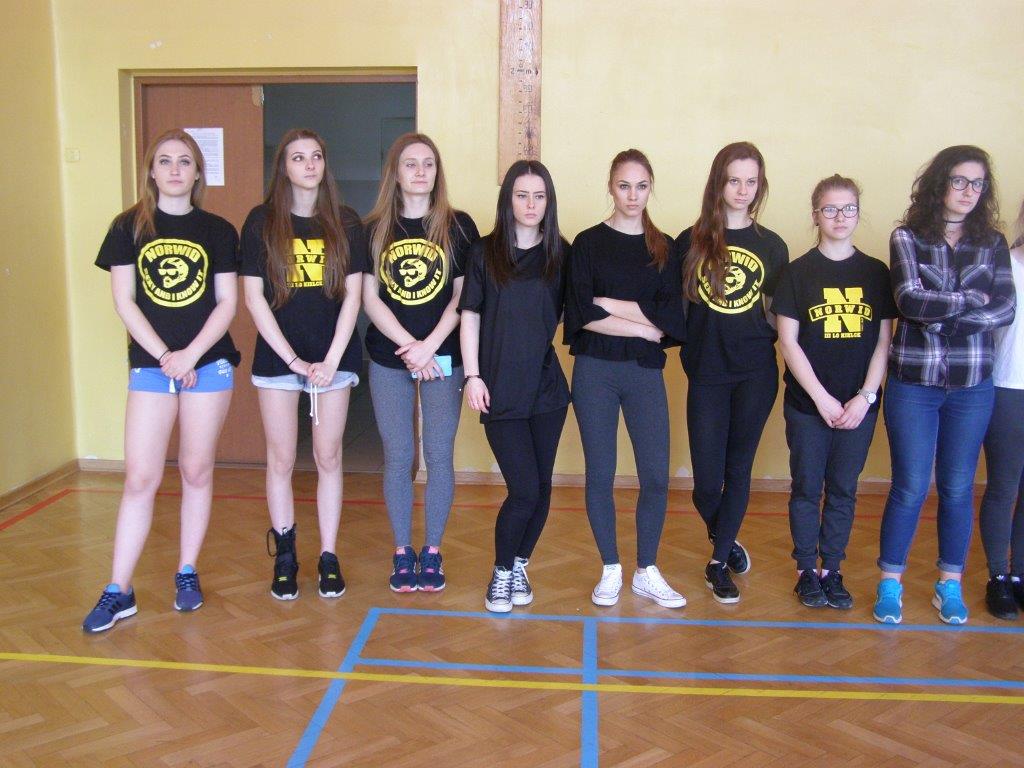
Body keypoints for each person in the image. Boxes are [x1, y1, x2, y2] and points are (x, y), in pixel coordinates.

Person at [84, 129, 239, 632]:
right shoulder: (128, 226)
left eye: (185, 161)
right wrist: (167, 357)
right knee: (140, 478)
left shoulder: (218, 230)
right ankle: (118, 589)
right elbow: (124, 301)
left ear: (197, 173)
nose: (175, 169)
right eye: (165, 161)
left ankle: (186, 571)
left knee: (196, 471)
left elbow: (227, 303)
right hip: (153, 367)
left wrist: (190, 355)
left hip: (208, 365)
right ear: (151, 171)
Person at [874, 145, 1015, 625]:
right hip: (914, 384)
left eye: (978, 184)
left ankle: (948, 584)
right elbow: (909, 301)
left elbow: (1005, 308)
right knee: (910, 486)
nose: (969, 191)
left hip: (972, 386)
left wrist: (947, 315)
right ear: (939, 183)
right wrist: (971, 299)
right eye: (959, 181)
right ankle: (890, 583)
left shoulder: (992, 242)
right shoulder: (907, 237)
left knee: (957, 488)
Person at [240, 129, 367, 600]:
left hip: (334, 358)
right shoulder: (261, 221)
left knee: (328, 456)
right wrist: (293, 359)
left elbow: (353, 296)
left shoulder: (346, 222)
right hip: (279, 358)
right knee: (281, 458)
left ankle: (328, 555)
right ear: (284, 167)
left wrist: (331, 360)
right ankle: (286, 554)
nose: (309, 164)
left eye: (316, 156)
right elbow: (253, 298)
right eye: (298, 157)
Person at [565, 148, 687, 609]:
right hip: (594, 371)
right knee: (600, 473)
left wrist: (609, 304)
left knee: (655, 475)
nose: (632, 195)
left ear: (650, 188)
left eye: (641, 186)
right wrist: (642, 326)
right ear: (610, 187)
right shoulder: (587, 243)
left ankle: (646, 570)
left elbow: (671, 319)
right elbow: (581, 313)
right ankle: (611, 568)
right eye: (624, 186)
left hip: (643, 374)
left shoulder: (665, 247)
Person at [363, 133, 479, 592]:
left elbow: (462, 298)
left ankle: (431, 551)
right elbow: (370, 299)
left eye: (428, 163)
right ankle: (401, 551)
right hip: (389, 356)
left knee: (438, 453)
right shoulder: (374, 228)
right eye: (410, 164)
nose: (420, 172)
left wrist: (428, 346)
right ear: (395, 172)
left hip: (442, 356)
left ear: (437, 171)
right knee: (399, 455)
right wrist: (410, 346)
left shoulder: (458, 225)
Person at [774, 175, 896, 609]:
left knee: (844, 489)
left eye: (848, 209)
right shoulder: (797, 273)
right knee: (807, 487)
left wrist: (865, 397)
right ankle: (806, 569)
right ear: (816, 215)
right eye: (830, 209)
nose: (840, 217)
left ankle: (833, 569)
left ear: (858, 214)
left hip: (858, 407)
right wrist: (822, 399)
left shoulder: (876, 273)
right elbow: (788, 342)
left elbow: (883, 342)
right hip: (809, 406)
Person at [677, 141, 788, 604]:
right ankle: (724, 534)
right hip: (706, 372)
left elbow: (780, 315)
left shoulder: (772, 245)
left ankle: (718, 561)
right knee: (706, 483)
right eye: (734, 180)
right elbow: (676, 309)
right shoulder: (690, 241)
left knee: (738, 469)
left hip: (755, 374)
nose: (743, 190)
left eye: (751, 181)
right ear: (718, 184)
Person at [460, 160, 570, 613]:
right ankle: (502, 571)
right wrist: (473, 375)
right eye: (522, 195)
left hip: (546, 390)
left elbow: (565, 314)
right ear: (508, 199)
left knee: (541, 488)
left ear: (549, 202)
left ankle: (521, 563)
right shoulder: (484, 252)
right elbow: (470, 315)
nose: (530, 204)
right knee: (523, 490)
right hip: (499, 389)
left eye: (539, 196)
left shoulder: (560, 253)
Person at [977, 199, 1024, 620]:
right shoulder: (1002, 262)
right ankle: (998, 576)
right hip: (1007, 388)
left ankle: (1019, 573)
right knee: (1003, 487)